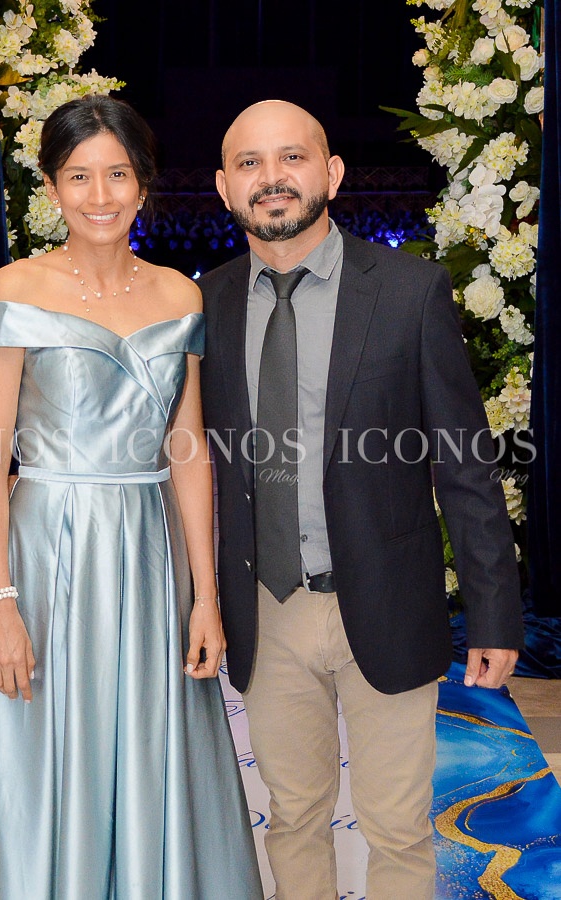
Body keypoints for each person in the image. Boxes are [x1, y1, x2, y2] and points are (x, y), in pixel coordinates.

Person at [199, 100, 524, 900]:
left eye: (291, 157)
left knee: (397, 827)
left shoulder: (410, 291)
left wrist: (492, 613)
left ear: (332, 172)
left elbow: (464, 465)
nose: (271, 178)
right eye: (249, 163)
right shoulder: (204, 303)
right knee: (293, 817)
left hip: (385, 598)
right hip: (265, 607)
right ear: (224, 187)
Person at [0, 95, 262, 900]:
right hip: (46, 552)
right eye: (79, 176)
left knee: (153, 743)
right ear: (52, 188)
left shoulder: (178, 295)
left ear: (143, 185)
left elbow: (187, 452)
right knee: (48, 740)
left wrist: (205, 598)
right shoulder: (16, 287)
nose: (99, 195)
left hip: (150, 553)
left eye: (117, 174)